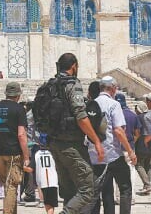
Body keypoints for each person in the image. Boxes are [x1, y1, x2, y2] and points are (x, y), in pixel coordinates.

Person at [44, 53, 104, 214]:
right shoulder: (72, 85)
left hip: (54, 144)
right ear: (74, 66)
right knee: (87, 188)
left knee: (69, 190)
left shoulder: (50, 85)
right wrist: (96, 141)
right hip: (71, 145)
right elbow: (81, 116)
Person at [87, 76, 137, 214]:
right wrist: (130, 151)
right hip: (113, 154)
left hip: (96, 155)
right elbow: (118, 131)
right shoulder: (113, 104)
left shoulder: (92, 104)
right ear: (112, 88)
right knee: (125, 187)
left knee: (105, 191)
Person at [0, 82, 30, 214]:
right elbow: (21, 134)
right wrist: (26, 156)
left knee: (7, 185)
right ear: (18, 95)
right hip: (13, 153)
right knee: (12, 186)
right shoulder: (19, 109)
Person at [34, 136, 59, 214]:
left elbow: (31, 168)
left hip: (43, 182)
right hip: (53, 181)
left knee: (48, 205)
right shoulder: (53, 153)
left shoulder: (37, 154)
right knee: (51, 206)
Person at [132, 101, 151, 196]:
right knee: (147, 165)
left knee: (138, 165)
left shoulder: (138, 118)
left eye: (136, 109)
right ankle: (148, 185)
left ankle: (147, 185)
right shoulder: (150, 116)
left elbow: (137, 131)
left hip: (141, 144)